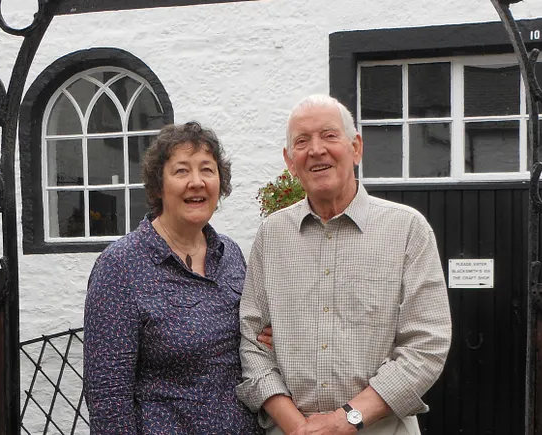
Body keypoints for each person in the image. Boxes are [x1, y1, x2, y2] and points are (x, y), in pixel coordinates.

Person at [237, 95, 453, 435]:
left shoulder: (407, 230)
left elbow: (427, 344)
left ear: (356, 148)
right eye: (302, 142)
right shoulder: (272, 236)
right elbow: (251, 343)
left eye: (329, 135)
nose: (316, 149)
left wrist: (347, 419)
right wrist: (298, 428)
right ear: (290, 161)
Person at [83, 122, 263, 434]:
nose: (197, 182)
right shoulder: (120, 266)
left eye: (207, 170)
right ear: (157, 186)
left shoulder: (230, 254)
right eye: (181, 171)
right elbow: (108, 397)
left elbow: (249, 337)